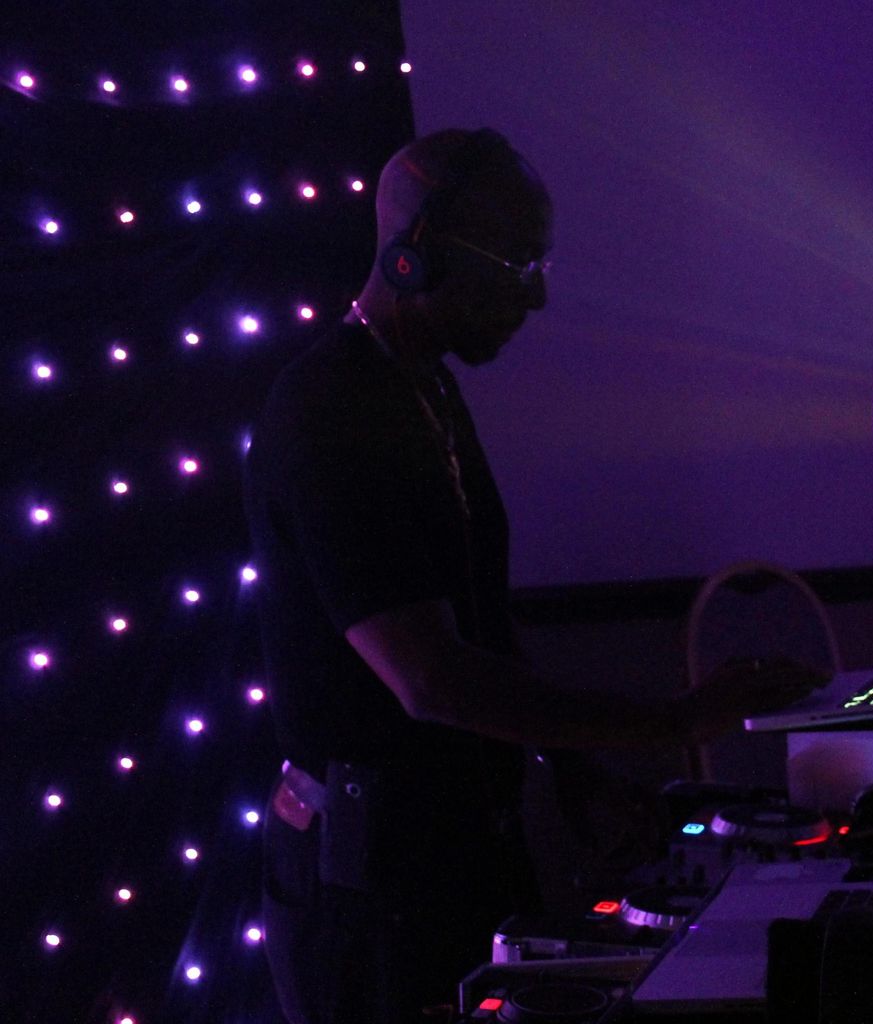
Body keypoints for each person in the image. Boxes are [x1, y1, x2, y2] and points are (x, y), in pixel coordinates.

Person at [243, 127, 821, 1023]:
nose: (537, 293)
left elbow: (476, 625)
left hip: (448, 857)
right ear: (414, 258)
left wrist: (574, 768)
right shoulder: (328, 410)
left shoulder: (424, 390)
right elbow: (430, 678)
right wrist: (673, 723)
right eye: (516, 264)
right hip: (368, 891)